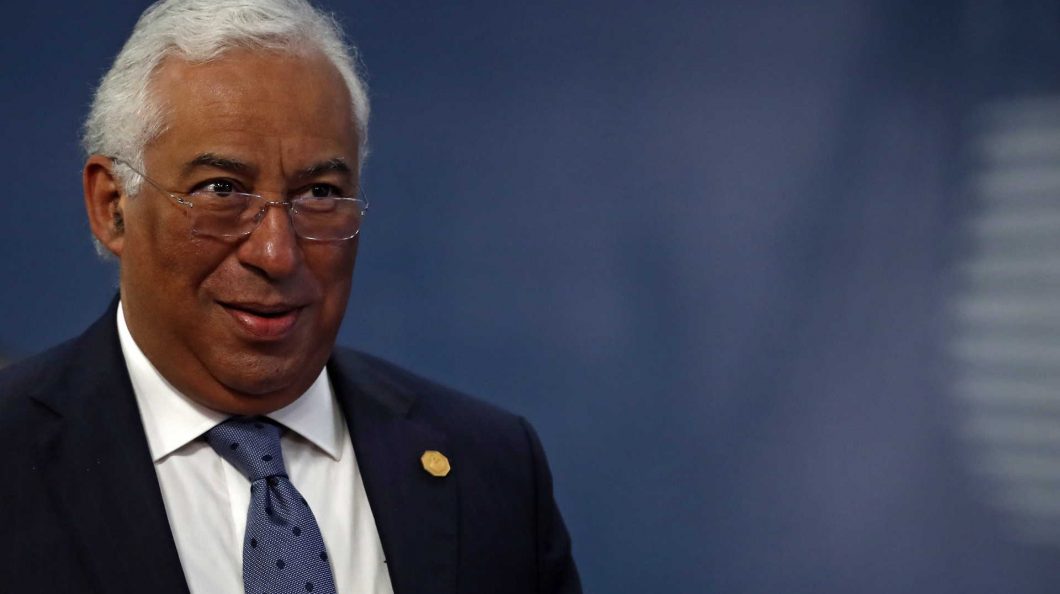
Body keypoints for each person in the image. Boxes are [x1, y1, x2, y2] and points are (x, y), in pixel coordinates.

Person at [0, 1, 581, 593]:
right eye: (221, 189)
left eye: (320, 193)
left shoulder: (492, 467)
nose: (276, 253)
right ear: (112, 207)